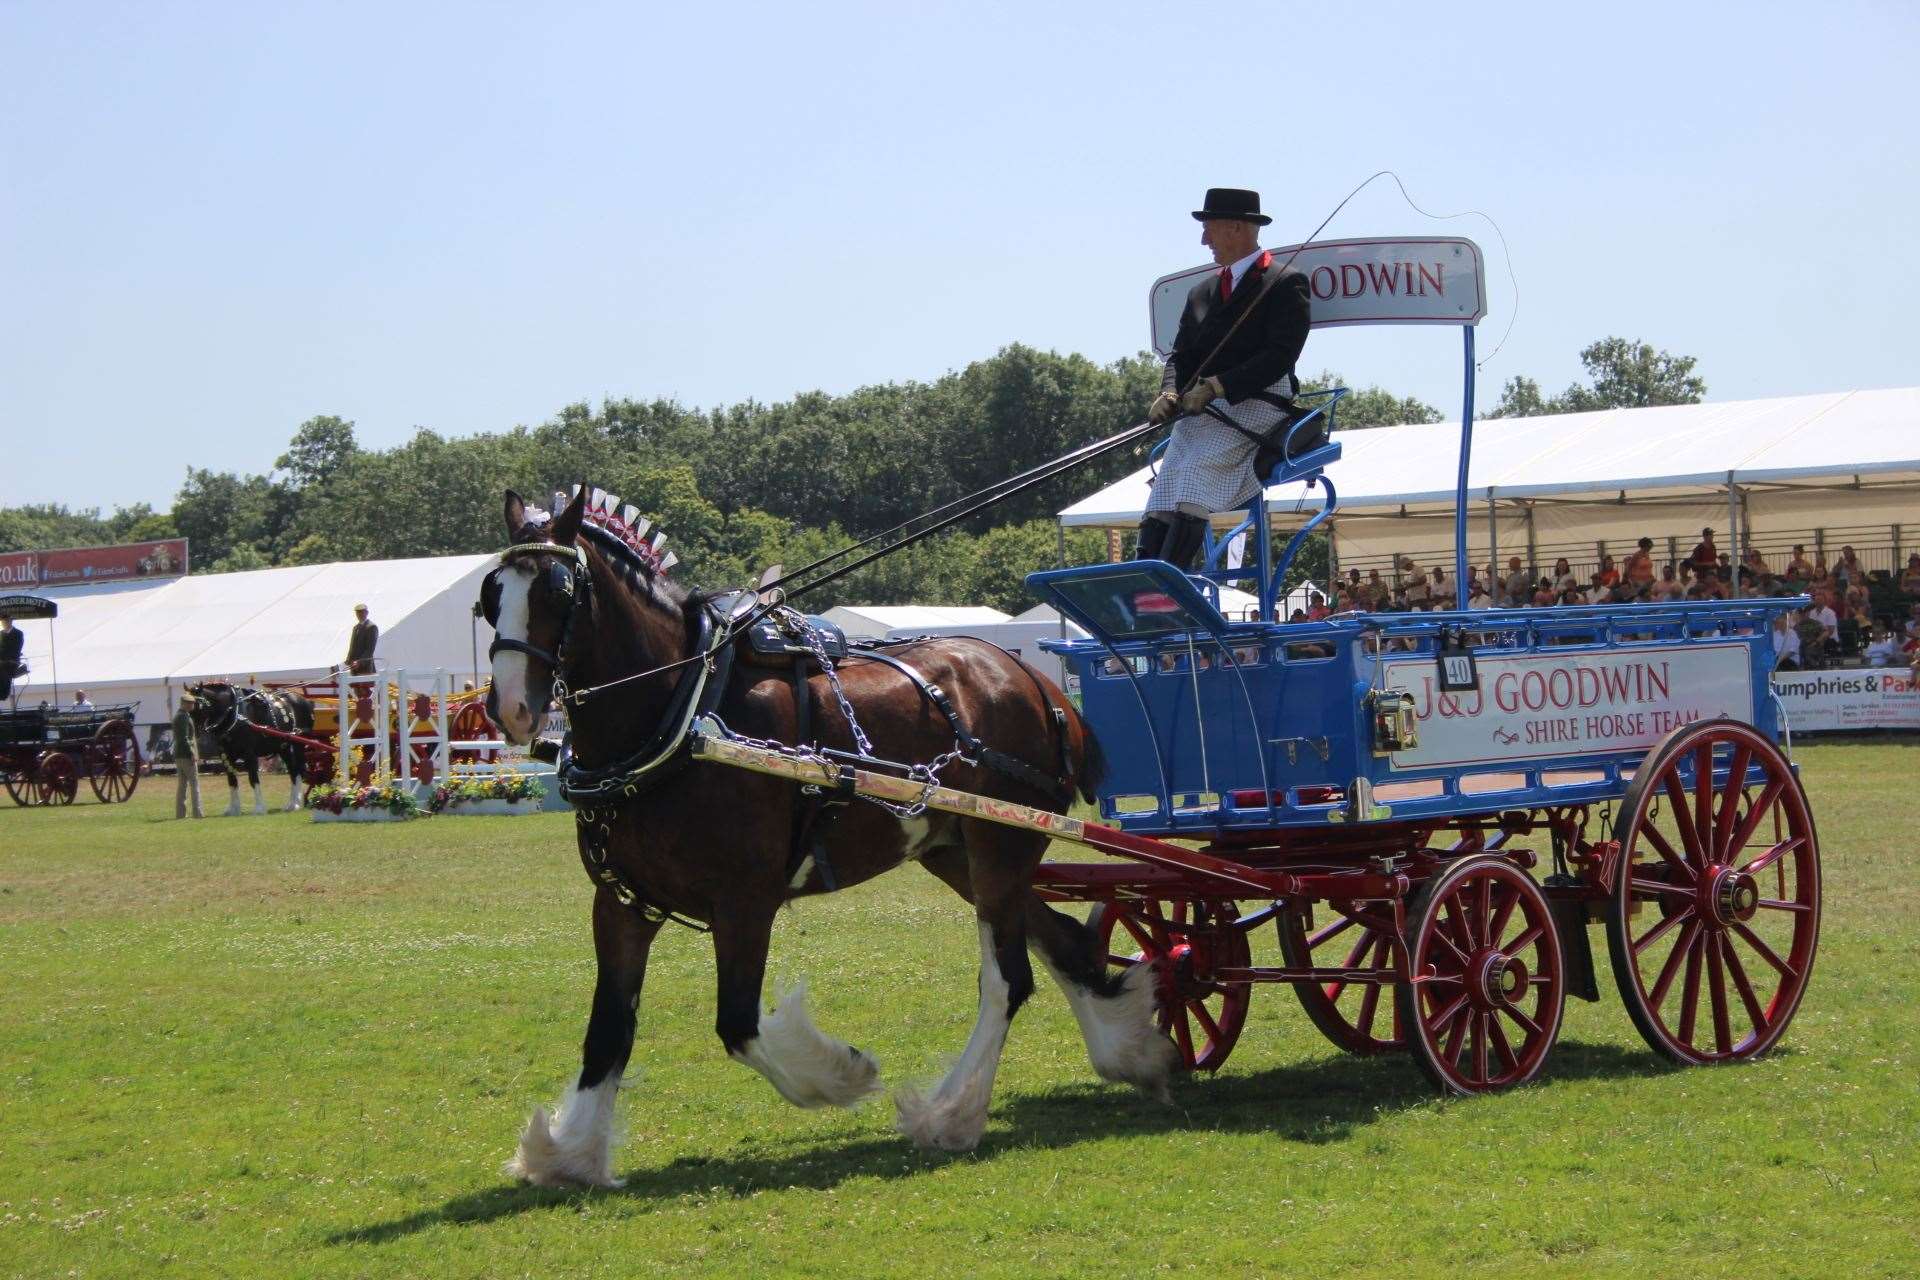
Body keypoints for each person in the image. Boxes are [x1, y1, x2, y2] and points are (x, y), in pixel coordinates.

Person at [1136, 188, 1312, 570]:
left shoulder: (1285, 282)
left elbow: (1281, 355)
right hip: (1205, 409)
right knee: (1171, 472)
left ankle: (1171, 579)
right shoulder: (1202, 292)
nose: (1204, 241)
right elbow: (1181, 356)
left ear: (1235, 227)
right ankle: (1144, 578)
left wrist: (1220, 385)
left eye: (1209, 230)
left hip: (1260, 400)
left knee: (1197, 468)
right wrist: (1169, 390)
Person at [172, 692, 202, 819]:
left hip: (179, 755)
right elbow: (185, 738)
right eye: (190, 703)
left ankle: (180, 814)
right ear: (184, 704)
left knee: (182, 786)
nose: (192, 705)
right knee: (194, 784)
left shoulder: (178, 715)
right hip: (186, 755)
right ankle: (197, 813)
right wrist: (192, 753)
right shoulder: (184, 717)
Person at [343, 604, 378, 675]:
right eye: (358, 612)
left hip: (365, 667)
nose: (359, 614)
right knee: (354, 685)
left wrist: (359, 662)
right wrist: (348, 660)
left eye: (362, 612)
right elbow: (352, 647)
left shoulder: (371, 627)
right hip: (354, 666)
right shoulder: (356, 628)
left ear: (366, 613)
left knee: (364, 685)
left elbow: (370, 649)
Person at [0, 616, 23, 701]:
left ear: (10, 622)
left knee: (4, 672)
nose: (4, 624)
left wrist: (5, 659)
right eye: (2, 622)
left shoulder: (18, 633)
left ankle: (3, 694)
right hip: (2, 662)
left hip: (12, 662)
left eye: (6, 622)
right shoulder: (0, 634)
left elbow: (16, 648)